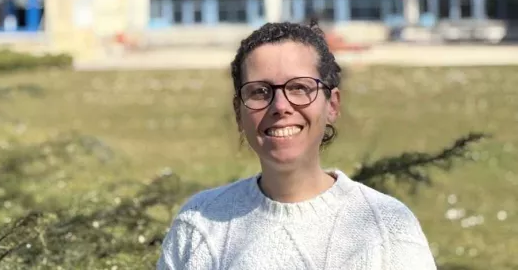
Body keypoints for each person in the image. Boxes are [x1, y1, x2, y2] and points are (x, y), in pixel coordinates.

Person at [156, 22, 437, 270]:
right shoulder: (200, 223)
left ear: (333, 105)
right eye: (259, 91)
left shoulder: (388, 228)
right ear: (238, 112)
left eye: (300, 88)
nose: (280, 106)